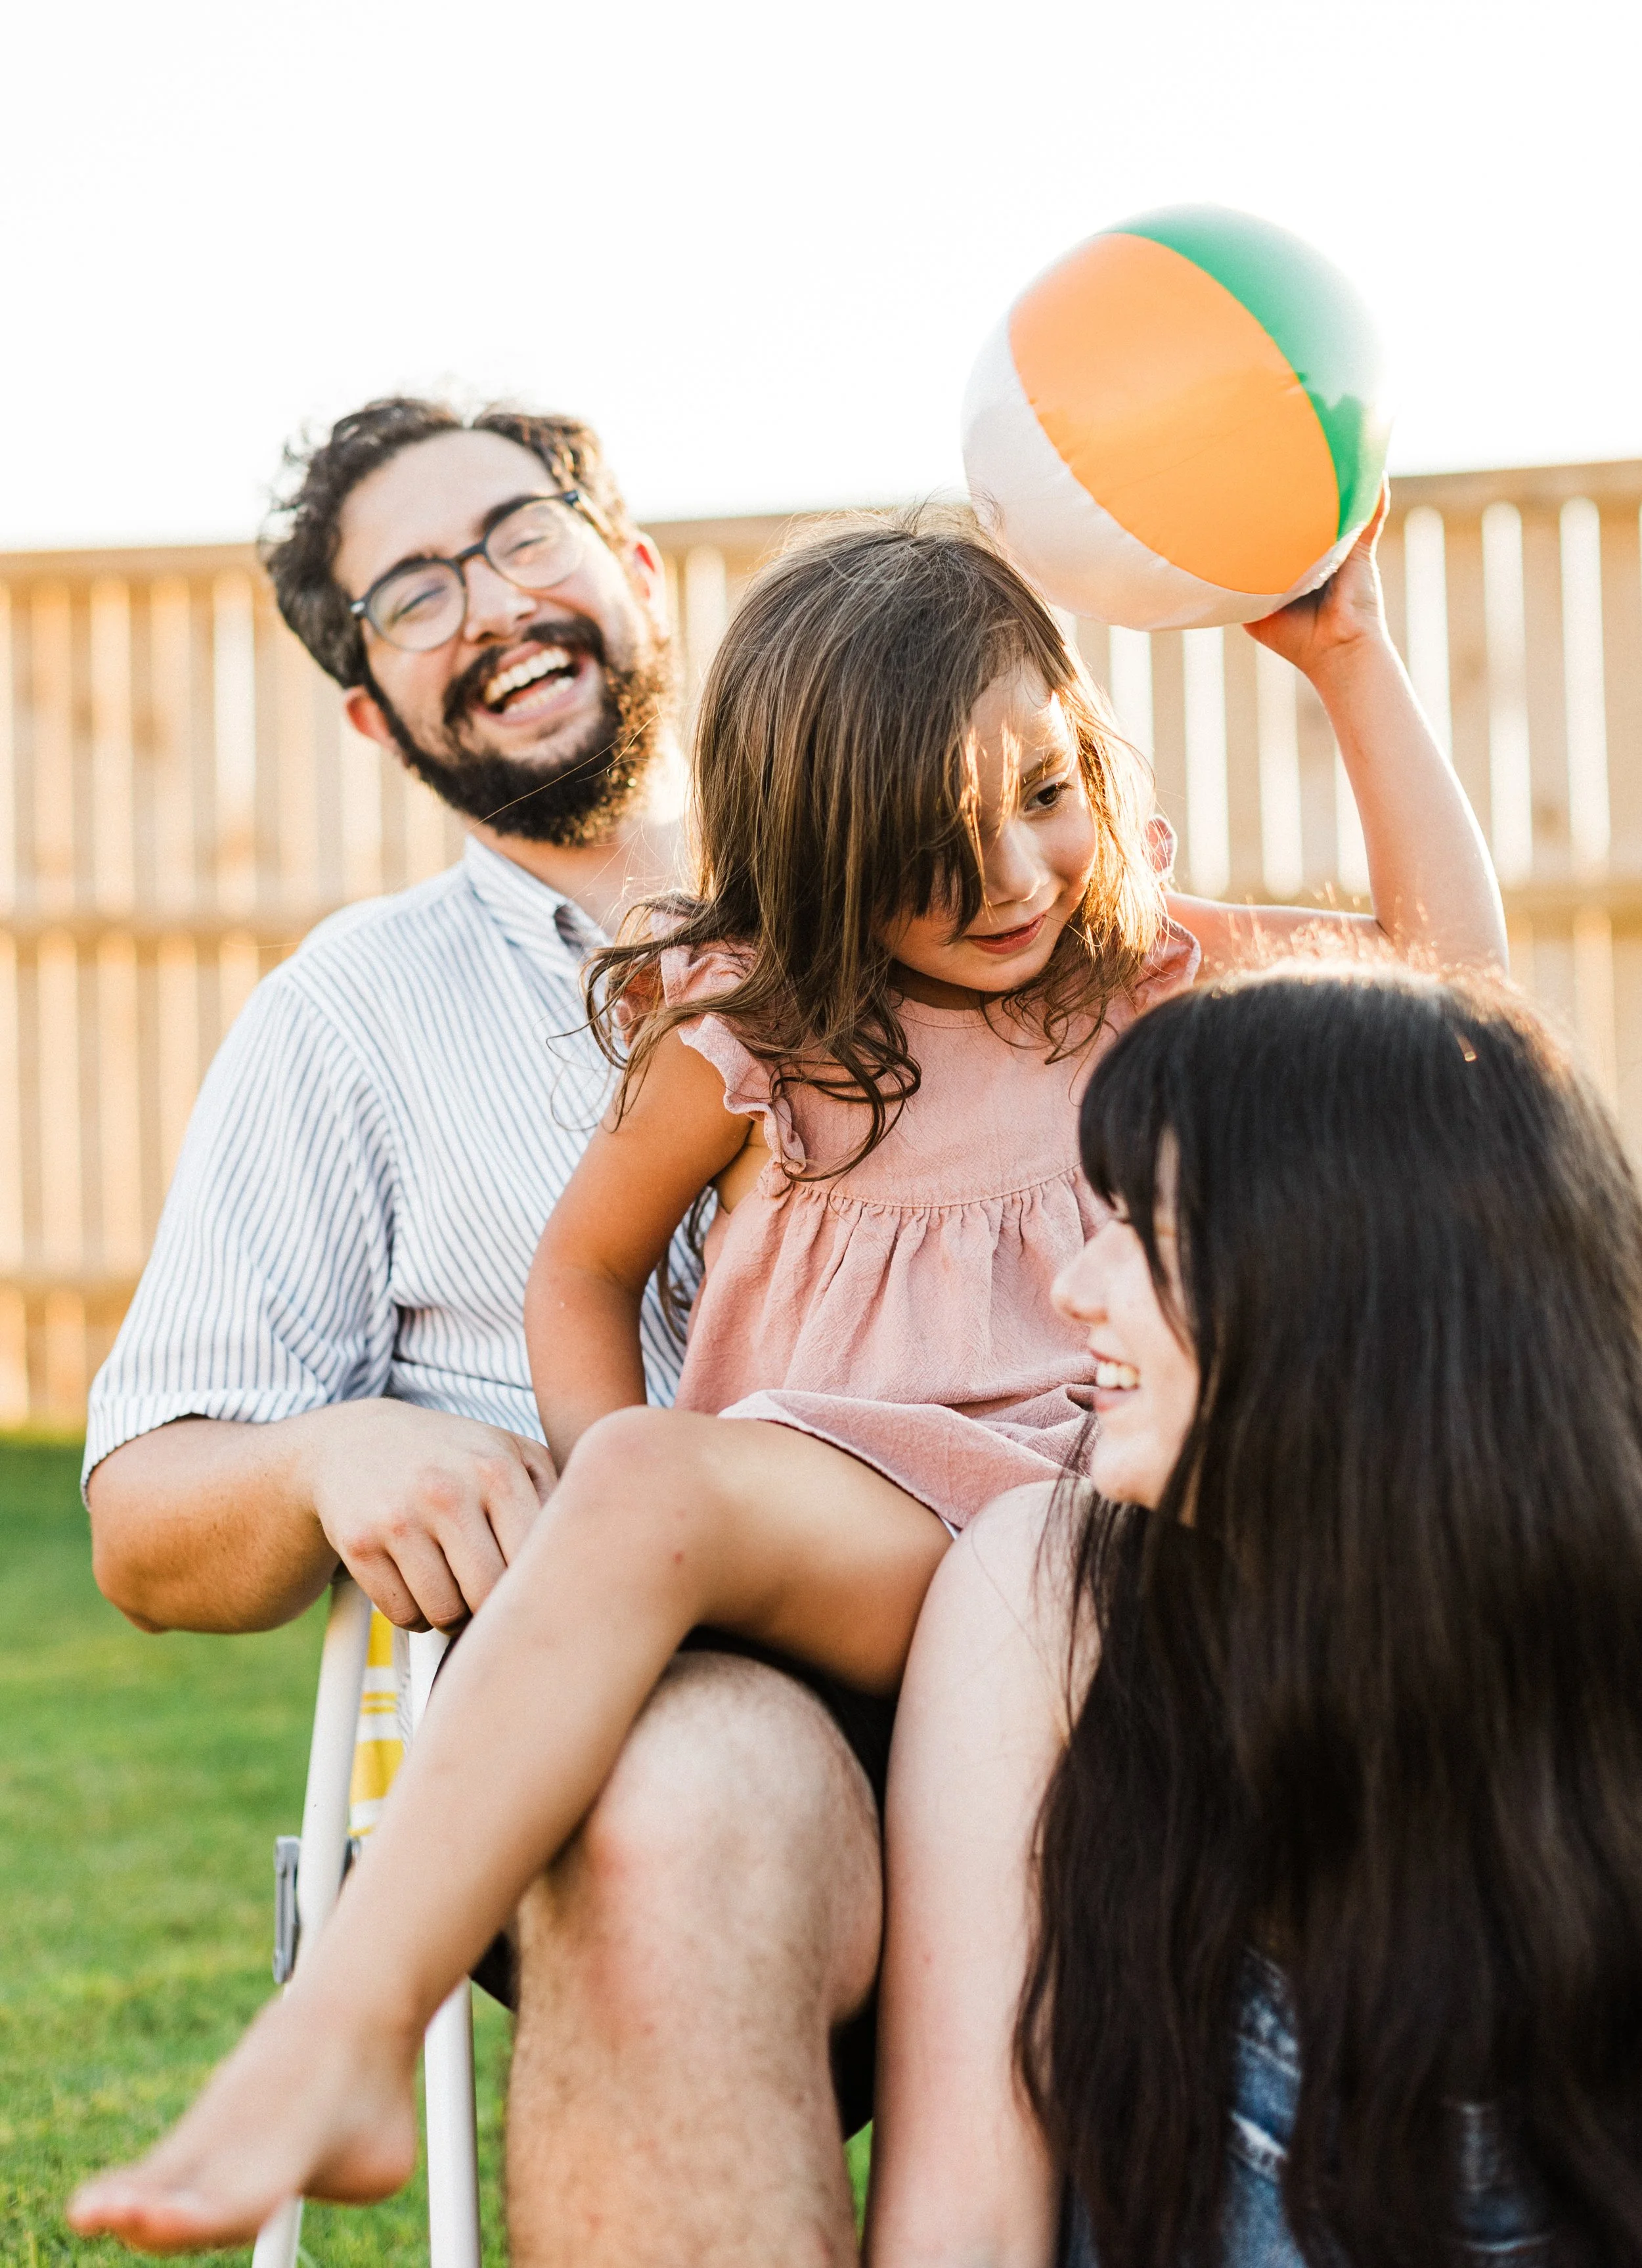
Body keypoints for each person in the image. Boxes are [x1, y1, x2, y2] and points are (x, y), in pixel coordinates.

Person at [72, 494, 1508, 2253]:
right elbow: (583, 1265)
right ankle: (349, 2016)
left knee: (955, 1586)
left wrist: (1349, 657)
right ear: (814, 856)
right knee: (658, 1479)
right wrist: (615, 1467)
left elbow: (1464, 1014)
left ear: (1091, 753)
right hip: (866, 1525)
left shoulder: (1164, 970)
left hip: (1108, 1535)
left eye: (1042, 795)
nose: (1009, 879)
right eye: (926, 850)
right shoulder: (757, 1018)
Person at [79, 397, 906, 2267]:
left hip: (969, 1617)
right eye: (415, 593)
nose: (492, 605)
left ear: (635, 571)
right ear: (372, 709)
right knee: (680, 1793)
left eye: (525, 537)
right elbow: (141, 1518)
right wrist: (320, 1447)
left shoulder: (910, 883)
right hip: (627, 1708)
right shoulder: (347, 1017)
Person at [866, 966, 1642, 2268]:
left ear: (1349, 1280)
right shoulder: (1047, 1607)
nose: (1070, 1288)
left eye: (1148, 1228)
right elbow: (962, 2233)